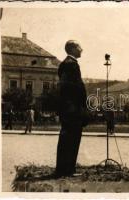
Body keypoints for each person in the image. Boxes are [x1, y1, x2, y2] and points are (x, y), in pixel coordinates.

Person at [55, 40, 88, 177]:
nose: (82, 49)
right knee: (72, 139)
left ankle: (64, 169)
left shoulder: (66, 64)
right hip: (72, 109)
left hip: (68, 108)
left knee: (67, 139)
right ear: (73, 49)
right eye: (79, 46)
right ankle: (67, 170)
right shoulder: (70, 65)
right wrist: (81, 106)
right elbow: (73, 88)